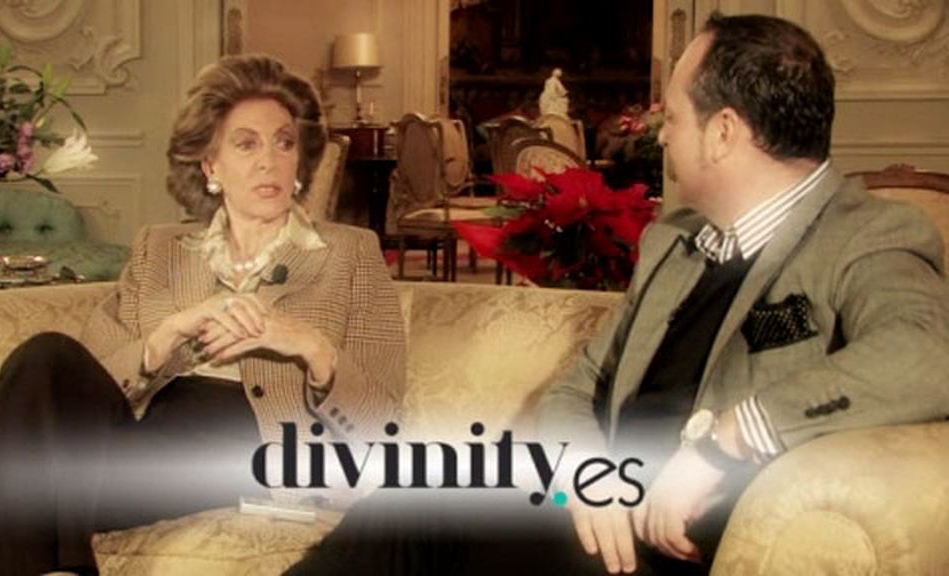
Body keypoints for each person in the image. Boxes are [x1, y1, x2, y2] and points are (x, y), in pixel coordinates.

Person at [285, 13, 949, 576]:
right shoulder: (675, 243)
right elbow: (579, 388)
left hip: (685, 541)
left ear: (724, 132)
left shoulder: (867, 236)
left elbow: (927, 355)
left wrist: (728, 439)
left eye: (676, 117)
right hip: (594, 512)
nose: (664, 133)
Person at [0, 54, 406, 576]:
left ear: (299, 161)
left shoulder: (350, 252)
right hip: (140, 440)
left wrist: (310, 347)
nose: (269, 161)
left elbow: (381, 420)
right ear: (210, 166)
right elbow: (88, 384)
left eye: (284, 143)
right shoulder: (159, 248)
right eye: (246, 144)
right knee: (45, 354)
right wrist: (167, 336)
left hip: (243, 446)